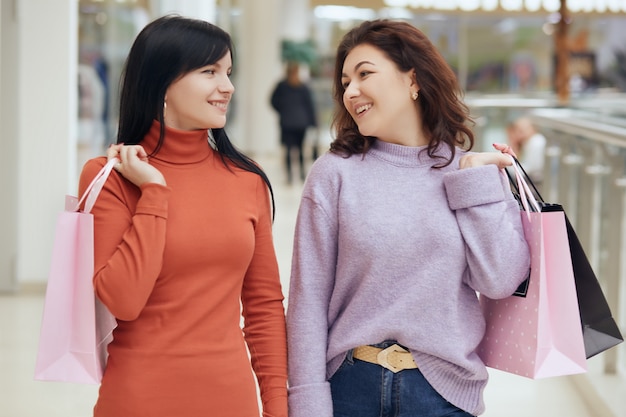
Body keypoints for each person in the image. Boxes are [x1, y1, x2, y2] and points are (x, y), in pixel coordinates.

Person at [286, 19, 531, 417]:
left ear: (412, 79)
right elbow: (307, 302)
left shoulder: (469, 172)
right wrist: (307, 402)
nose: (351, 91)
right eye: (345, 81)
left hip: (442, 394)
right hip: (349, 389)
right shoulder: (334, 173)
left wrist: (475, 185)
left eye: (365, 73)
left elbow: (501, 280)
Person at [78, 15, 287, 417]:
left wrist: (278, 406)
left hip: (231, 399)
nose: (226, 87)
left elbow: (263, 308)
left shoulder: (247, 181)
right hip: (140, 400)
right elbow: (123, 299)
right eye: (209, 72)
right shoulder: (109, 176)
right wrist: (154, 192)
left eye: (228, 72)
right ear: (162, 84)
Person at [270, 61, 317, 184]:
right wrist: (313, 123)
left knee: (288, 149)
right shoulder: (302, 87)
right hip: (301, 123)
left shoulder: (282, 86)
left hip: (287, 122)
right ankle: (301, 175)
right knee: (300, 149)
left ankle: (290, 177)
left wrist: (282, 111)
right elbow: (310, 106)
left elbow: (273, 101)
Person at [507, 116, 547, 185]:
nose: (519, 133)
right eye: (518, 129)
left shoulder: (536, 142)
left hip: (534, 182)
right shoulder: (527, 142)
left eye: (522, 130)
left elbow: (527, 170)